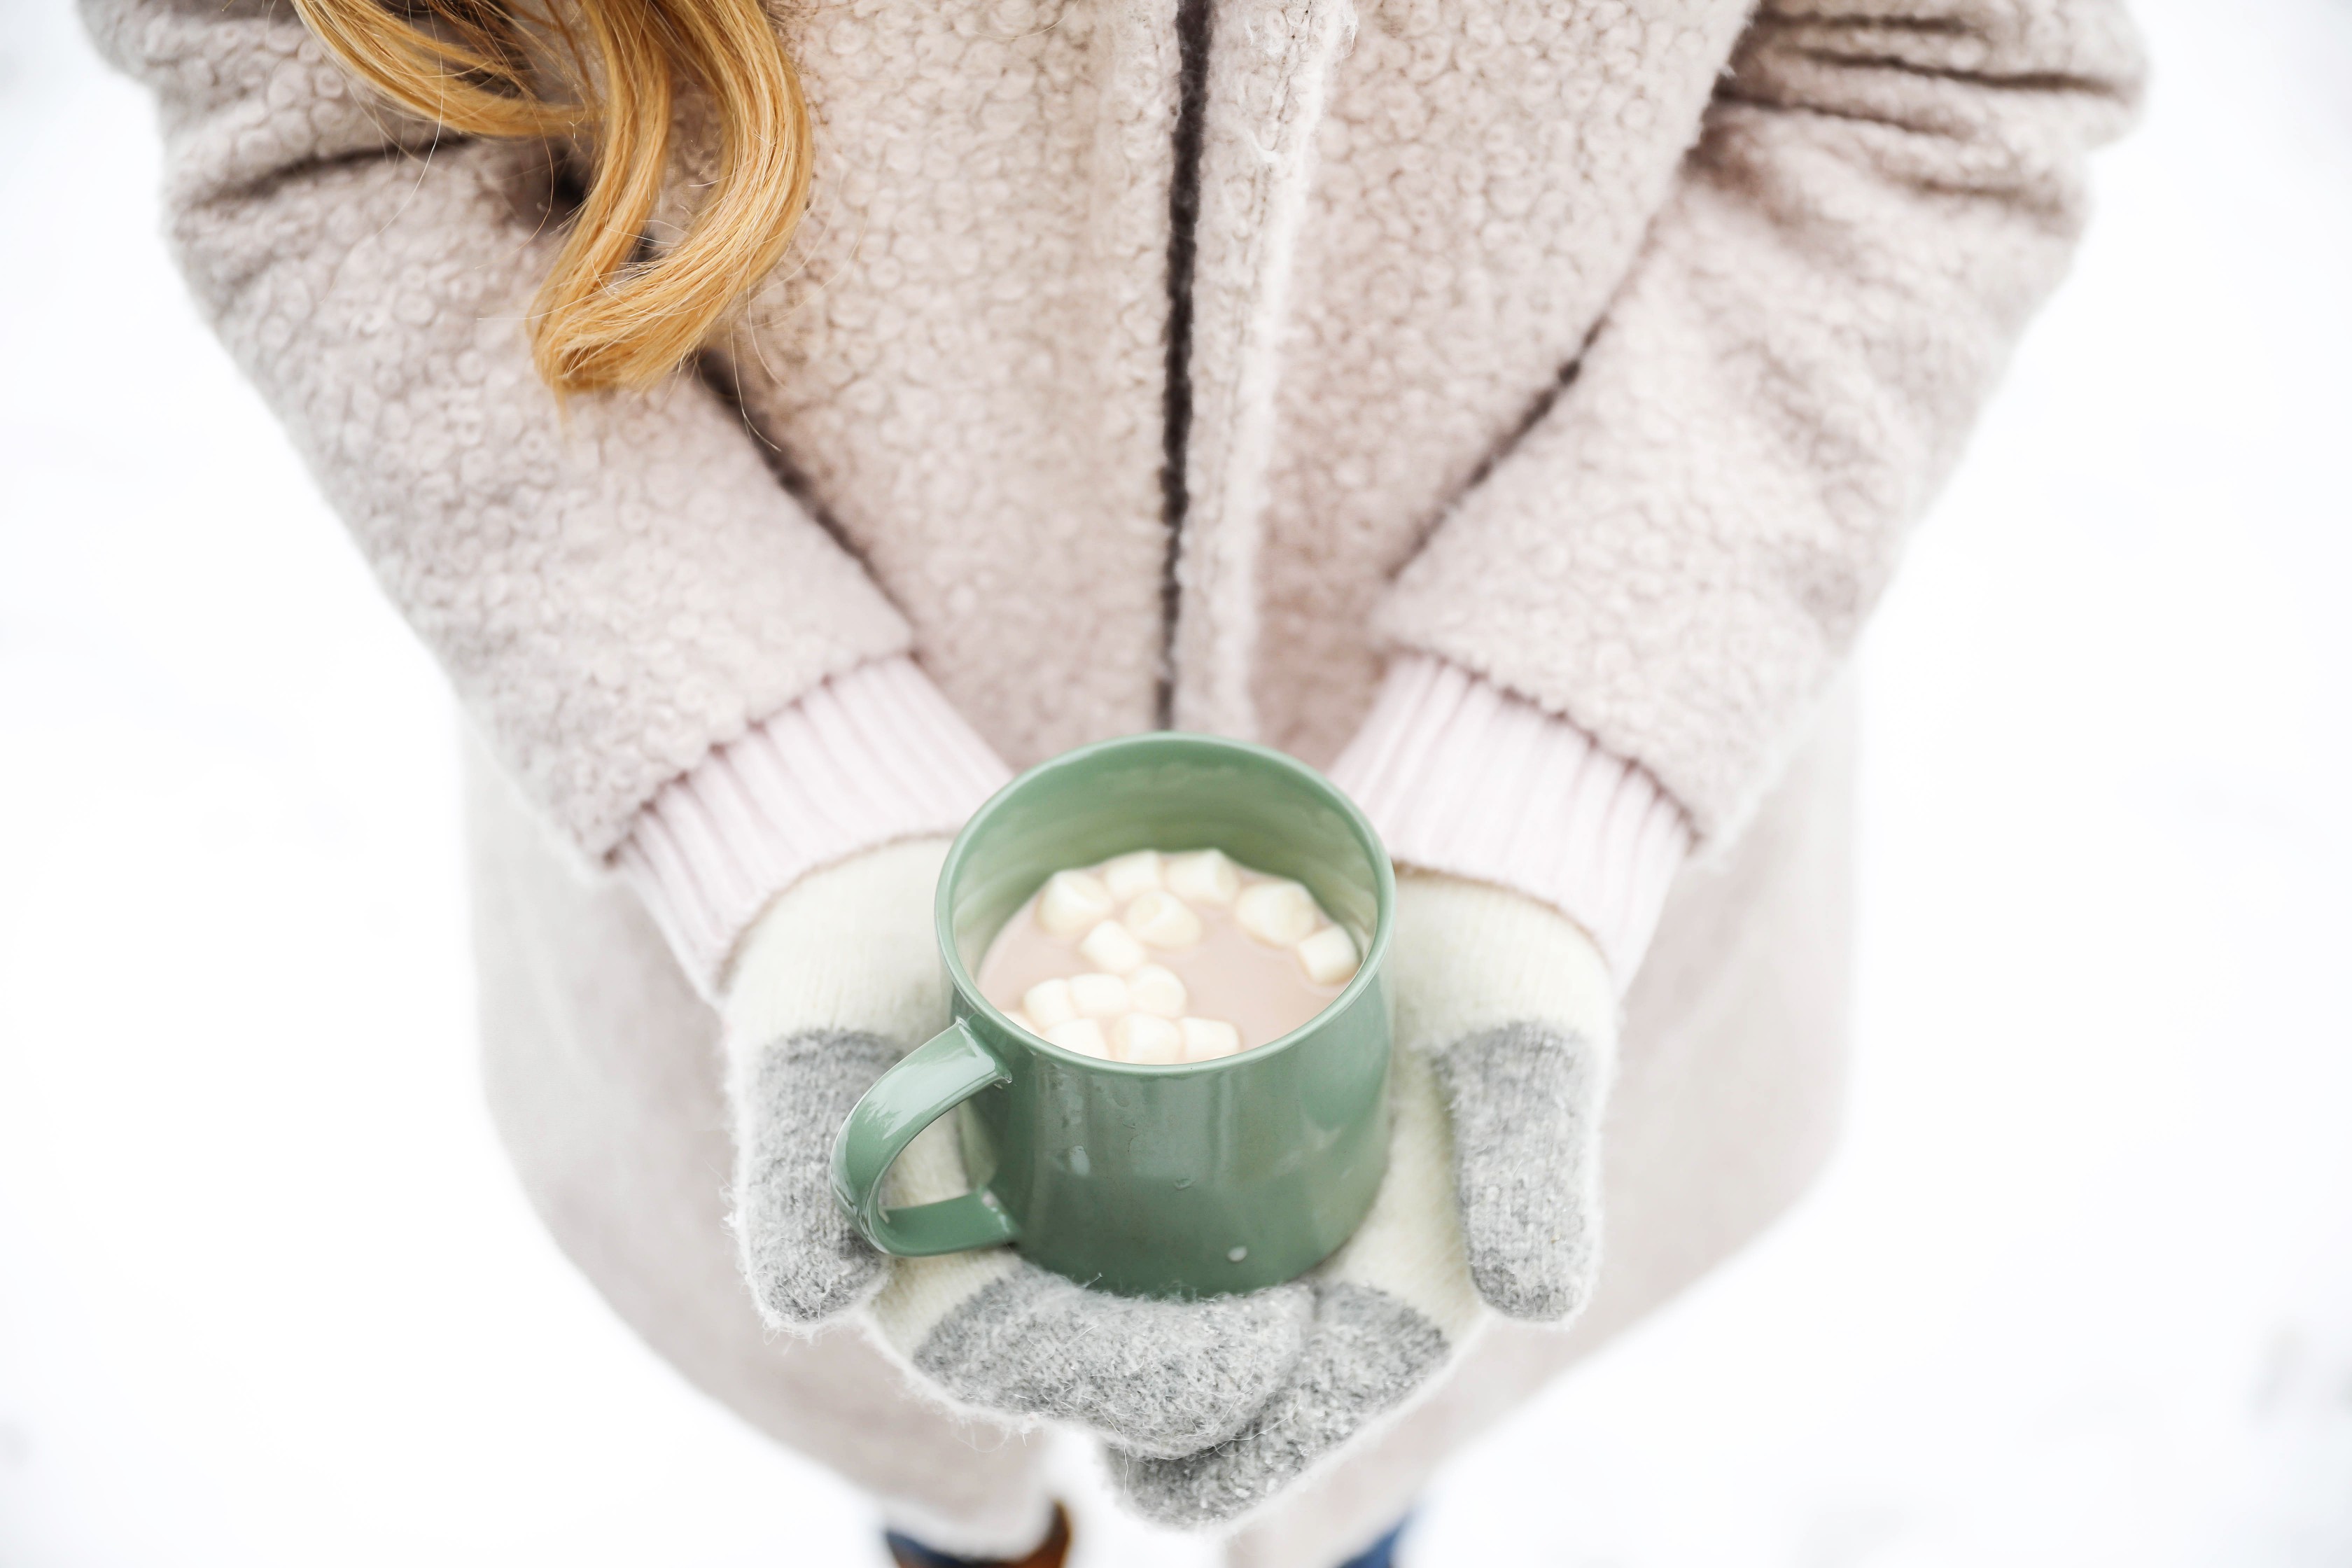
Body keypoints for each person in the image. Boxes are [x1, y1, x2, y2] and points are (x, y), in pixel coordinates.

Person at [86, 0, 2141, 1559]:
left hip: (1584, 873)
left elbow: (1945, 74)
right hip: (735, 925)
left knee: (1336, 1472)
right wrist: (778, 804)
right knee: (955, 1488)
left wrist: (1548, 780)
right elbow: (315, 117)